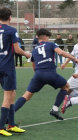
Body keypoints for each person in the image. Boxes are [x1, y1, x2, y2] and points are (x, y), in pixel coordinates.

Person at [14, 28, 78, 121]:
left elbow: (33, 64)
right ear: (45, 37)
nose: (49, 39)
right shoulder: (51, 44)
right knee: (66, 87)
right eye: (48, 37)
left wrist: (38, 75)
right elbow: (60, 52)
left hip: (38, 75)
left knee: (26, 95)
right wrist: (74, 58)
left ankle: (10, 113)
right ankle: (55, 109)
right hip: (50, 73)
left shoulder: (35, 49)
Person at [0, 7, 30, 136]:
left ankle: (11, 125)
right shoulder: (12, 30)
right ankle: (1, 127)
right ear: (10, 18)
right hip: (7, 67)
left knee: (12, 94)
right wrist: (27, 54)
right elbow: (17, 50)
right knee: (8, 96)